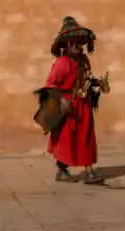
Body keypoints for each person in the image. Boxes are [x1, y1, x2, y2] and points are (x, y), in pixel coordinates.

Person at [44, 16, 108, 184]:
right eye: (73, 42)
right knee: (66, 138)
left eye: (79, 42)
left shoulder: (84, 60)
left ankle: (89, 169)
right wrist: (62, 101)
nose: (77, 46)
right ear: (66, 45)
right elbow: (50, 85)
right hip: (67, 106)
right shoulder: (61, 63)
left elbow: (85, 77)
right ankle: (62, 170)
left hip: (83, 104)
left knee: (86, 137)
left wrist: (97, 83)